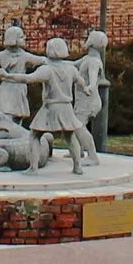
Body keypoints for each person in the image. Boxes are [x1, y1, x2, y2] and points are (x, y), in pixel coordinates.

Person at [31, 36, 95, 172]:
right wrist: (86, 88)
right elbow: (80, 80)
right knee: (70, 136)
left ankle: (33, 168)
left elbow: (30, 79)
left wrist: (8, 76)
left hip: (50, 107)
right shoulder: (70, 69)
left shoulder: (46, 69)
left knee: (35, 135)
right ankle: (77, 166)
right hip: (66, 107)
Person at [0, 22, 40, 127]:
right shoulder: (2, 55)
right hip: (6, 87)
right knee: (6, 113)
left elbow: (42, 61)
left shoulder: (25, 56)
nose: (24, 38)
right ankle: (5, 135)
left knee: (18, 115)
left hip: (19, 88)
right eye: (21, 36)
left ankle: (17, 136)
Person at [76, 27, 112, 155]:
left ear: (92, 42)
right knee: (76, 125)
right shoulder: (87, 58)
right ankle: (78, 151)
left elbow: (92, 81)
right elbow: (72, 64)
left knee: (79, 126)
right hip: (83, 100)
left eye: (88, 38)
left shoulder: (93, 62)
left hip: (89, 101)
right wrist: (52, 63)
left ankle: (92, 155)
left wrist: (88, 87)